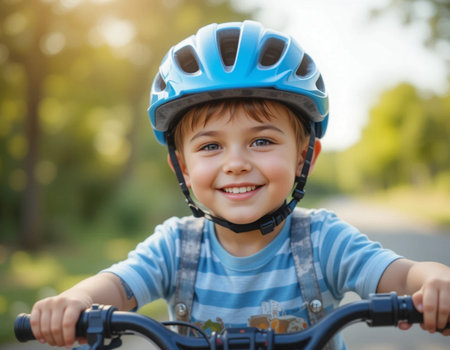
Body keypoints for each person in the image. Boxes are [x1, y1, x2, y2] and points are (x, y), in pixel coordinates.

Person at [29, 20, 450, 349]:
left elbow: (404, 275)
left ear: (305, 158)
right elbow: (117, 285)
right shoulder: (176, 247)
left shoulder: (322, 241)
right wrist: (76, 300)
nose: (235, 164)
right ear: (182, 168)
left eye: (262, 141)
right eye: (210, 146)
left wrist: (433, 279)